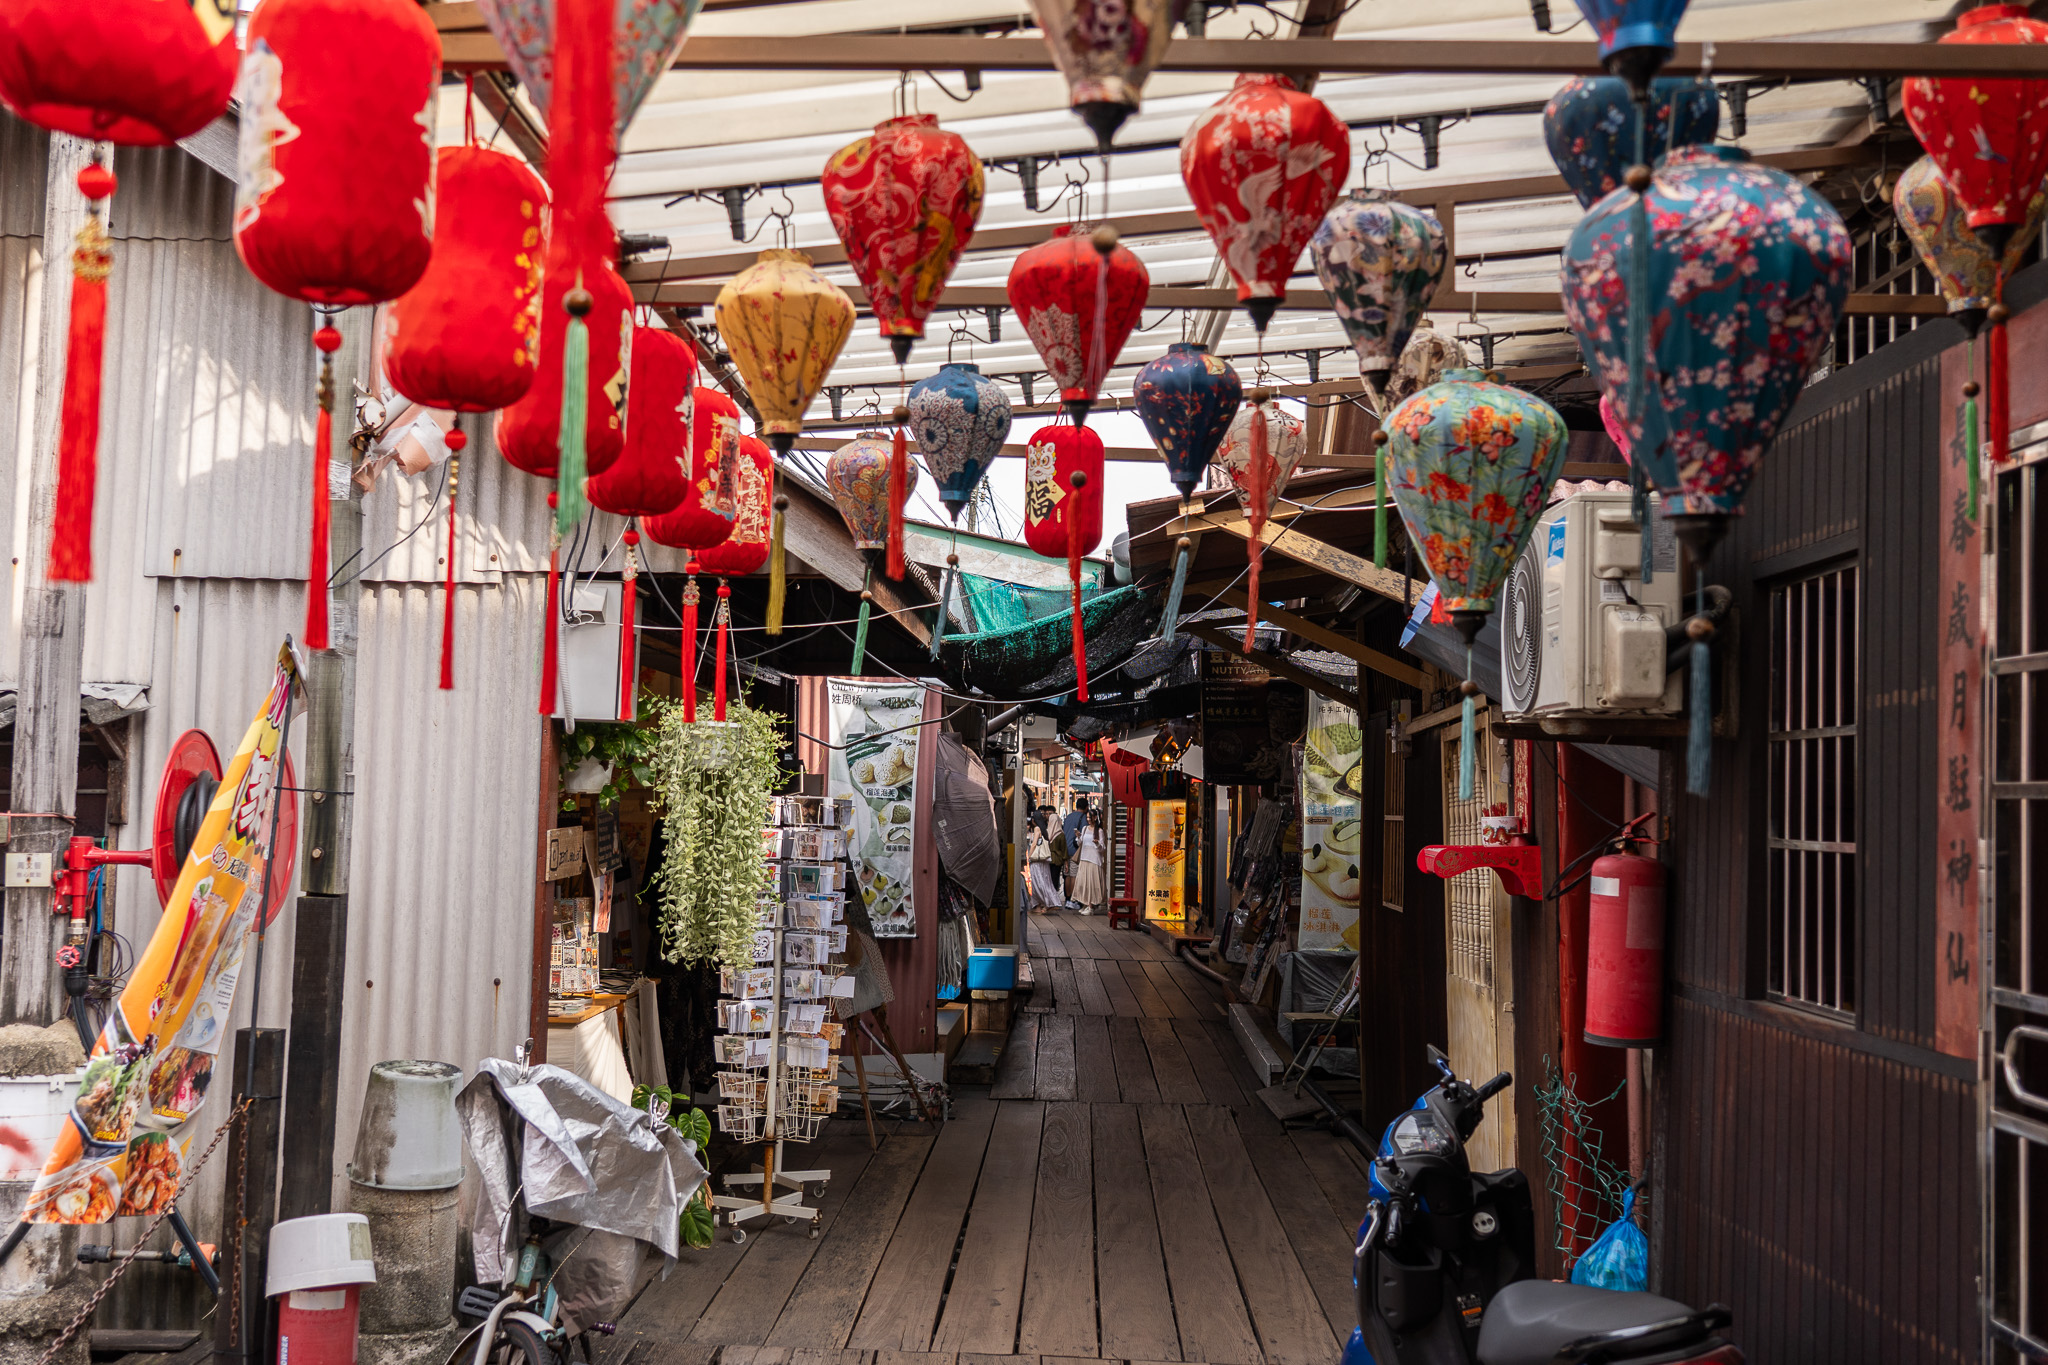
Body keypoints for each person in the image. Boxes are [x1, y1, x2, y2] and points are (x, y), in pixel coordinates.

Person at [1025, 806, 1063, 914]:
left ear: (1034, 820)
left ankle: (1048, 903)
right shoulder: (1044, 829)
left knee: (1036, 883)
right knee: (1044, 882)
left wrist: (1029, 856)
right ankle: (1042, 904)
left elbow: (1034, 844)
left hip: (1036, 861)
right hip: (1043, 861)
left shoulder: (1037, 829)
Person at [1071, 805, 1106, 915]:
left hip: (1094, 860)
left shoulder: (1099, 831)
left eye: (1090, 817)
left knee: (1091, 884)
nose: (1088, 820)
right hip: (1084, 858)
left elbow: (1103, 848)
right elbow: (1080, 843)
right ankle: (1086, 904)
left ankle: (1091, 907)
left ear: (1095, 818)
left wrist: (1097, 843)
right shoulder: (1085, 828)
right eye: (1087, 818)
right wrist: (1078, 836)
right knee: (1083, 883)